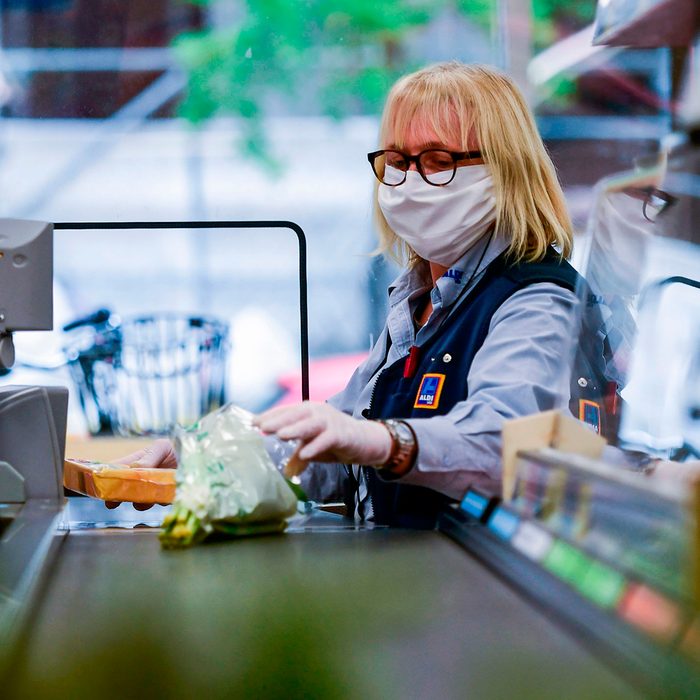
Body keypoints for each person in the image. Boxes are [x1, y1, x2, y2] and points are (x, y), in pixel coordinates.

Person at [119, 61, 580, 528]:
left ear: (506, 170)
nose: (412, 182)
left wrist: (381, 441)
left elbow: (500, 449)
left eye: (439, 161)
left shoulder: (537, 300)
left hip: (486, 588)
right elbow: (337, 447)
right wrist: (202, 457)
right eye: (398, 161)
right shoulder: (423, 301)